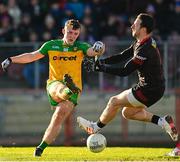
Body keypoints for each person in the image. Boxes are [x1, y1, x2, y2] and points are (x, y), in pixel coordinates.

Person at [1, 19, 105, 157]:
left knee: (58, 116)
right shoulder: (51, 45)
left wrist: (100, 47)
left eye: (75, 33)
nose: (72, 35)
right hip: (54, 84)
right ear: (63, 31)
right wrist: (11, 59)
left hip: (75, 91)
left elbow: (93, 52)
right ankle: (68, 89)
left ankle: (40, 148)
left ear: (78, 34)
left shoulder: (81, 46)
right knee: (60, 87)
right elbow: (32, 56)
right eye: (69, 32)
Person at [77, 13, 179, 150]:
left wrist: (102, 68)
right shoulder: (142, 42)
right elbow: (122, 56)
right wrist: (102, 62)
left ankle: (94, 128)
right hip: (156, 88)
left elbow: (125, 71)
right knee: (127, 113)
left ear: (143, 29)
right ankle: (163, 122)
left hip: (148, 89)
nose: (131, 26)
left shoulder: (145, 49)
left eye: (135, 24)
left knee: (114, 102)